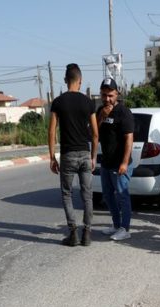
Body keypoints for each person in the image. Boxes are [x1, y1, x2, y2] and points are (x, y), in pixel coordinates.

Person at [48, 64, 98, 247]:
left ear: (65, 80)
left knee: (67, 194)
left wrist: (52, 156)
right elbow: (95, 133)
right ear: (81, 80)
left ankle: (73, 233)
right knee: (87, 195)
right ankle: (87, 233)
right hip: (85, 154)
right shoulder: (88, 102)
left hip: (68, 155)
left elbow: (52, 131)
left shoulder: (59, 102)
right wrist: (93, 157)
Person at [96, 77, 135, 242]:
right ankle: (116, 224)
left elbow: (129, 138)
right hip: (106, 163)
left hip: (120, 164)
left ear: (117, 93)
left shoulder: (124, 112)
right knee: (107, 196)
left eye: (110, 95)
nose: (107, 99)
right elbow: (93, 133)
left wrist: (125, 163)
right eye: (104, 95)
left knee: (122, 196)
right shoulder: (100, 111)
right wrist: (101, 118)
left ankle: (125, 229)